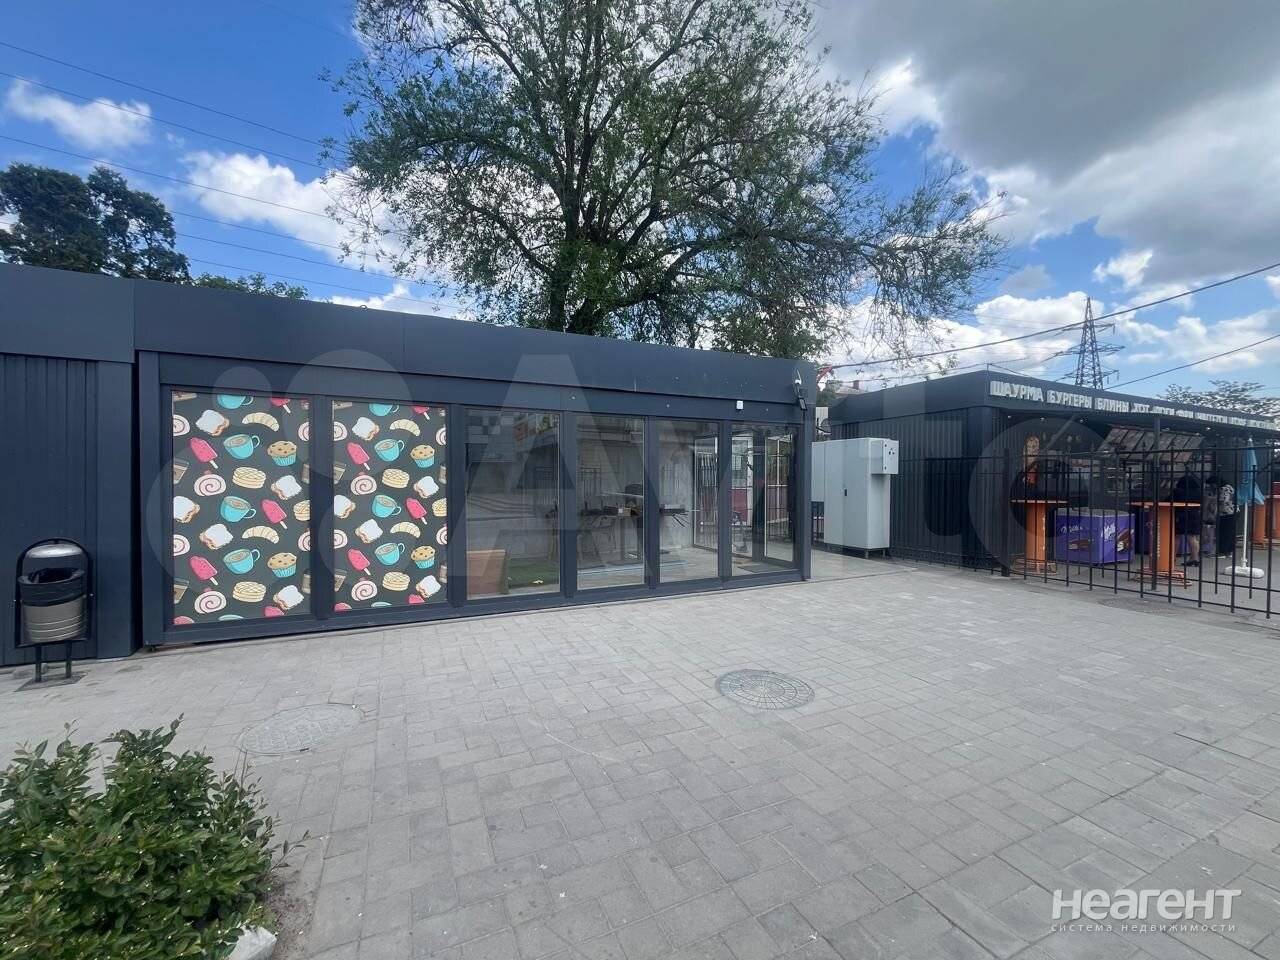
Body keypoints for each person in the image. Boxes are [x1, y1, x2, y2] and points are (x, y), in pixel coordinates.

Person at [1172, 465, 1202, 566]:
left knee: (1176, 536)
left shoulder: (1178, 492)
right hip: (1194, 515)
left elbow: (1168, 501)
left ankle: (1172, 558)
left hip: (1180, 516)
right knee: (1192, 537)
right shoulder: (1198, 492)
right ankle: (1194, 558)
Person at [1219, 478, 1237, 556]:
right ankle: (1229, 550)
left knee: (1224, 532)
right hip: (1234, 510)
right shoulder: (1230, 487)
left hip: (1226, 512)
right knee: (1230, 532)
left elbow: (1223, 500)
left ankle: (1223, 551)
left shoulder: (1223, 489)